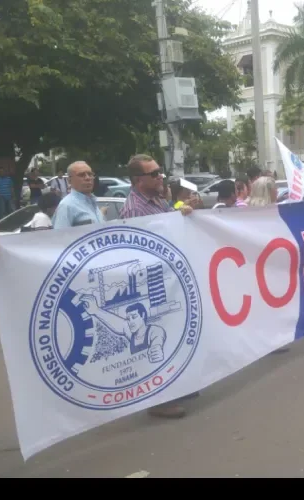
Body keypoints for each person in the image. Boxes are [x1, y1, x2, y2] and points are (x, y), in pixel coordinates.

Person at [118, 155, 194, 417]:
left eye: (160, 172)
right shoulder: (134, 210)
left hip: (168, 279)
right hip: (151, 284)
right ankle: (159, 400)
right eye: (154, 173)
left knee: (172, 332)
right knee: (155, 337)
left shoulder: (158, 201)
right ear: (139, 180)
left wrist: (181, 214)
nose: (160, 176)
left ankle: (176, 385)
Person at [52, 161, 106, 228]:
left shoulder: (93, 203)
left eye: (90, 174)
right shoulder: (66, 206)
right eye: (82, 175)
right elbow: (60, 237)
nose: (88, 178)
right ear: (69, 180)